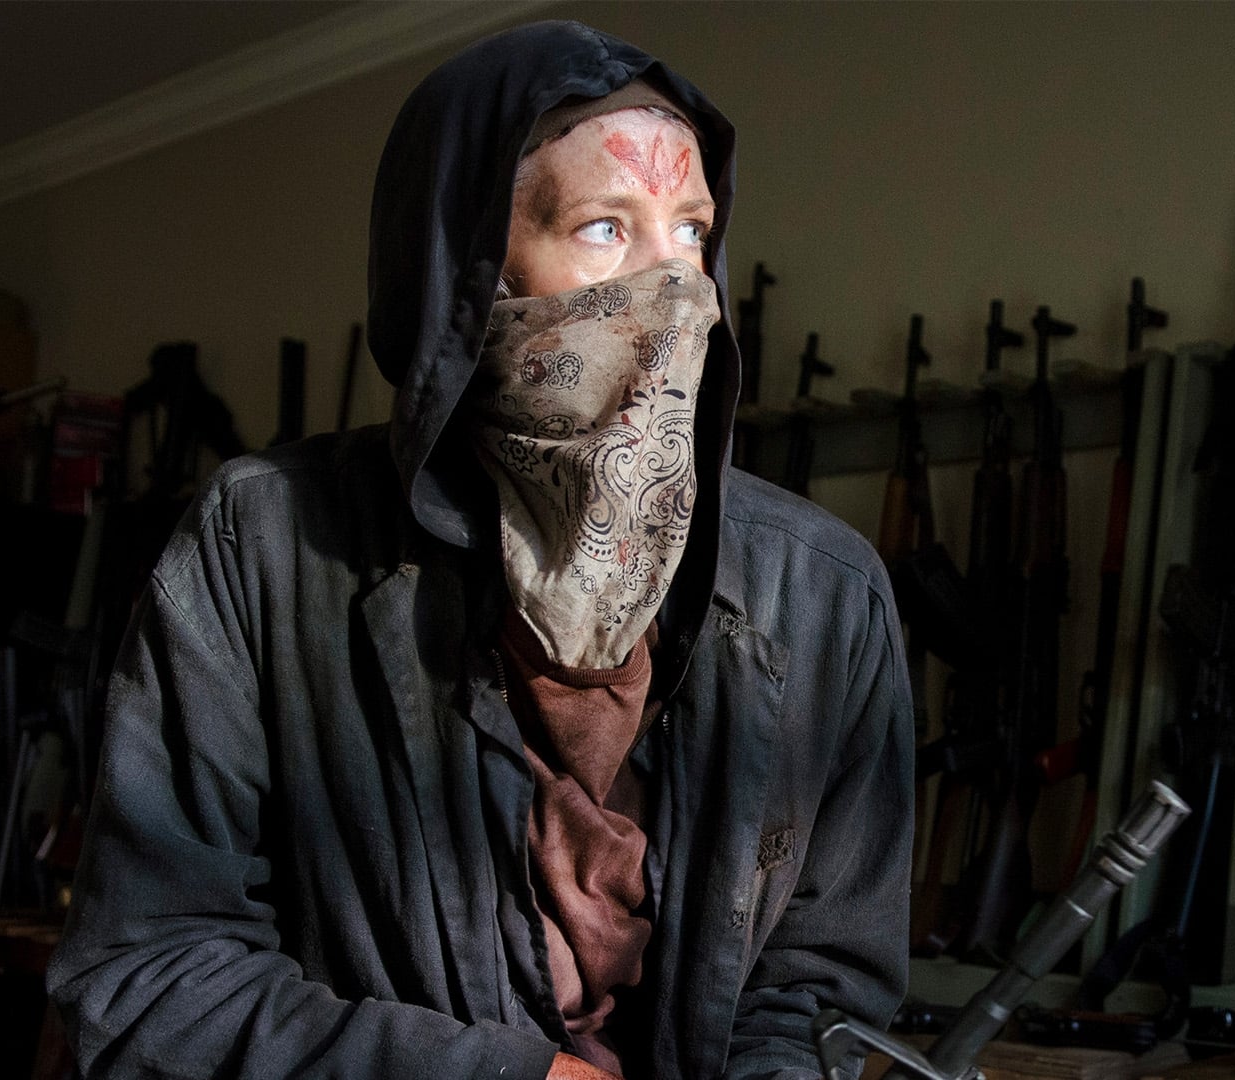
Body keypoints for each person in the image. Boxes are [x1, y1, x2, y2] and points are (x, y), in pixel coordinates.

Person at [46, 20, 913, 1080]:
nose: (676, 290)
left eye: (692, 232)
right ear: (466, 277)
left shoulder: (823, 596)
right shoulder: (261, 548)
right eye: (604, 228)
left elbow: (817, 993)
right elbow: (150, 974)